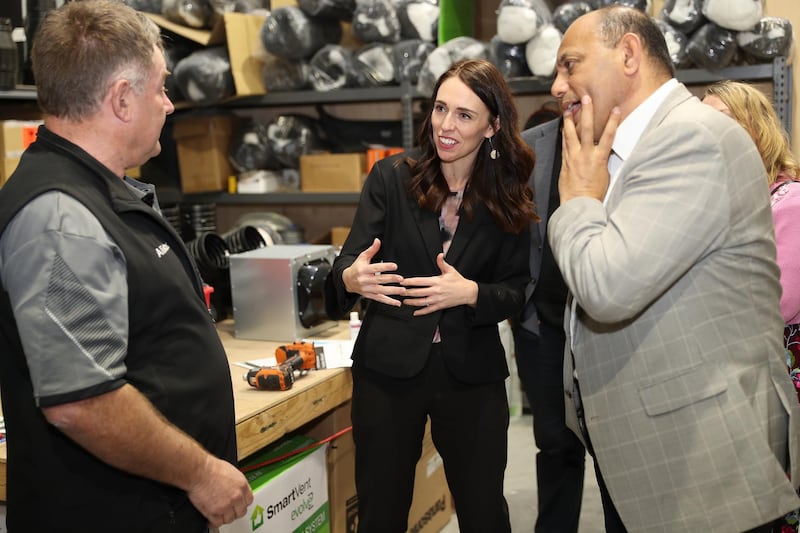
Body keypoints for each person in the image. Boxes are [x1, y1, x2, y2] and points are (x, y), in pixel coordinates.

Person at [0, 1, 253, 531]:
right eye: (160, 88)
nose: (169, 104)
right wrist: (202, 473)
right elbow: (82, 401)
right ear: (120, 99)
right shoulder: (61, 221)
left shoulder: (100, 193)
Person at [547, 5, 800, 532]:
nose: (557, 85)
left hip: (698, 452)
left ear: (629, 55)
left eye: (570, 64)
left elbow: (606, 285)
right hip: (650, 442)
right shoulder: (628, 150)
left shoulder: (690, 138)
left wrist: (575, 202)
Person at [324, 58, 536, 533]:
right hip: (388, 370)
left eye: (464, 115)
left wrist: (470, 293)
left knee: (483, 512)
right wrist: (350, 279)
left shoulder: (508, 191)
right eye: (441, 108)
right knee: (381, 511)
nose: (445, 125)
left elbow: (518, 291)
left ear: (492, 125)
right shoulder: (391, 177)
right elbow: (348, 263)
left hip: (470, 373)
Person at [703, 79, 800, 531]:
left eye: (719, 122)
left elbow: (777, 301)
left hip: (780, 376)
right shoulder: (720, 202)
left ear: (754, 131)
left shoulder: (789, 201)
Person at [514, 111, 587, 533]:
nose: (563, 85)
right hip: (542, 325)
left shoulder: (634, 139)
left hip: (606, 325)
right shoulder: (530, 147)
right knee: (555, 443)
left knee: (616, 450)